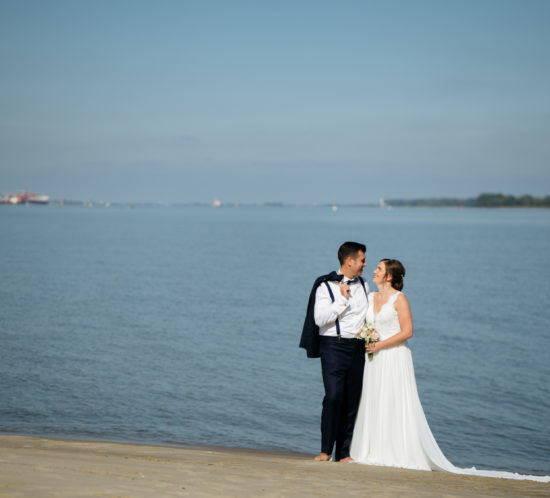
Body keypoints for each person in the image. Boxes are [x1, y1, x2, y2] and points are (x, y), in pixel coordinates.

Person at [350, 259, 550, 482]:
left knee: (395, 400)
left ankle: (395, 450)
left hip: (394, 356)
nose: (374, 272)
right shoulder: (370, 297)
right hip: (374, 358)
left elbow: (408, 332)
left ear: (388, 277)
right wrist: (365, 336)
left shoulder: (400, 299)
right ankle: (374, 448)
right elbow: (362, 322)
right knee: (375, 399)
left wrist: (380, 344)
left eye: (379, 269)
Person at [300, 242, 369, 462]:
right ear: (350, 261)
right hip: (333, 346)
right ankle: (325, 451)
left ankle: (344, 453)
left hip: (358, 347)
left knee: (352, 400)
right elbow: (319, 320)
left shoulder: (365, 285)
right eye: (362, 260)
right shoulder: (325, 286)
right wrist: (342, 299)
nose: (365, 264)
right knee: (333, 397)